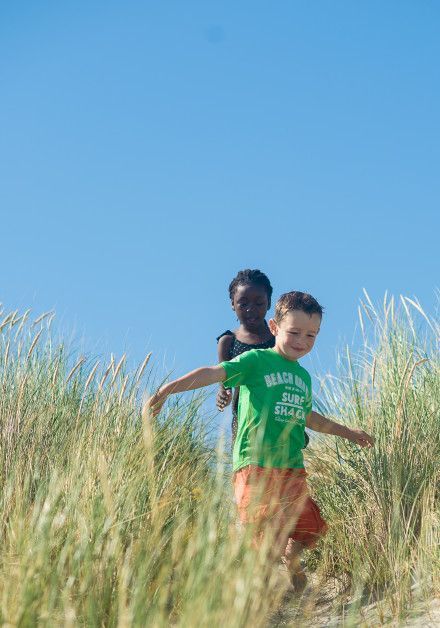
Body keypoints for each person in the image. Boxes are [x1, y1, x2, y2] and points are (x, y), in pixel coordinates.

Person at [144, 291, 374, 591]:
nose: (302, 341)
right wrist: (166, 391)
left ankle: (291, 561)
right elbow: (212, 373)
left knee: (309, 527)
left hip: (292, 468)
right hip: (254, 465)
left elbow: (310, 418)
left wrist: (350, 433)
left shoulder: (302, 377)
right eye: (294, 332)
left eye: (311, 335)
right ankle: (260, 596)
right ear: (274, 328)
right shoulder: (255, 361)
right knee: (265, 533)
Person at [216, 269, 275, 443]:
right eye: (243, 303)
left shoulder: (279, 339)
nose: (251, 309)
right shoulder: (228, 342)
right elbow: (224, 382)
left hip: (280, 416)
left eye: (259, 303)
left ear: (269, 302)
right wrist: (223, 394)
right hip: (244, 422)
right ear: (232, 304)